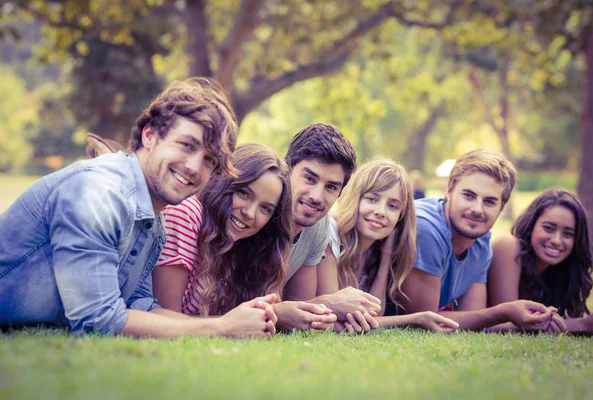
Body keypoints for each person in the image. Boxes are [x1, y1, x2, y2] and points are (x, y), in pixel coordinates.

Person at [0, 78, 279, 338]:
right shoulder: (98, 193)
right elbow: (95, 319)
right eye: (186, 145)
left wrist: (234, 319)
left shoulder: (153, 220)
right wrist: (221, 328)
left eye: (209, 160)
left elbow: (140, 305)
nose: (194, 167)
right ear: (149, 135)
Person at [152, 143, 336, 329]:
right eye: (244, 193)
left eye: (265, 208)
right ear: (226, 181)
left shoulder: (249, 244)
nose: (250, 213)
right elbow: (166, 317)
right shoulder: (187, 214)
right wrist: (234, 324)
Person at [400, 149, 562, 332]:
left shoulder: (480, 241)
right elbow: (425, 320)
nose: (477, 209)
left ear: (501, 208)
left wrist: (535, 321)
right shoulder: (426, 227)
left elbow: (472, 317)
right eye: (469, 195)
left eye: (490, 202)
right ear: (449, 189)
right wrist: (504, 312)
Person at [316, 159, 459, 334]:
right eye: (372, 199)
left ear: (400, 216)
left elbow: (373, 313)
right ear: (355, 198)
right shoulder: (330, 234)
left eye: (392, 206)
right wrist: (415, 319)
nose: (381, 212)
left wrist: (385, 258)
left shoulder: (376, 251)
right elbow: (331, 319)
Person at [276, 123, 384, 331]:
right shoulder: (260, 212)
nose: (316, 196)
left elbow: (301, 306)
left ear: (340, 192)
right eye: (309, 178)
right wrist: (331, 302)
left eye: (331, 187)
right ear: (287, 169)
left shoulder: (319, 226)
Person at [488, 188, 593, 334]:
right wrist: (584, 324)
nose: (557, 240)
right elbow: (506, 322)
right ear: (532, 226)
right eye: (548, 228)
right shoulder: (509, 246)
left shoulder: (556, 272)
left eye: (568, 234)